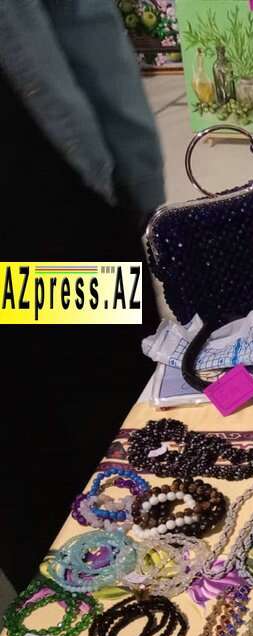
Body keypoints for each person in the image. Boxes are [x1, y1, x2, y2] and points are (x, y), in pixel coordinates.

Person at [0, 0, 165, 590]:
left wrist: (139, 192)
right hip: (46, 200)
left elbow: (83, 21)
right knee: (23, 463)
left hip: (46, 206)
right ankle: (53, 601)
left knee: (120, 422)